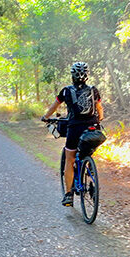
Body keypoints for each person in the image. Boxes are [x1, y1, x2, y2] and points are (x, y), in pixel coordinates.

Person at [41, 62, 104, 206]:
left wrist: (45, 117)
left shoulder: (66, 91)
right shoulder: (94, 90)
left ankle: (68, 194)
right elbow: (100, 108)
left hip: (75, 128)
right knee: (87, 151)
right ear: (87, 76)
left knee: (70, 159)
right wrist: (99, 120)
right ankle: (90, 171)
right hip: (92, 128)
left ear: (72, 76)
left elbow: (54, 106)